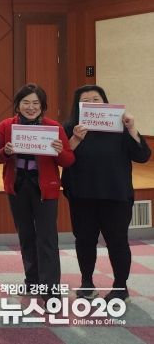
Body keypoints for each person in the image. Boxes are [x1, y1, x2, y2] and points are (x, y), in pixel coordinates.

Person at [62, 85, 151, 302]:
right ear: (78, 106)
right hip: (82, 195)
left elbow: (142, 156)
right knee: (84, 241)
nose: (92, 104)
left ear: (105, 102)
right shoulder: (70, 127)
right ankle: (87, 283)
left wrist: (132, 128)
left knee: (117, 242)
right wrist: (75, 139)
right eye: (86, 101)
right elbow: (62, 158)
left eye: (96, 99)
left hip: (115, 195)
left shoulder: (120, 126)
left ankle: (121, 287)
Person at [0, 83, 74, 302]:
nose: (30, 107)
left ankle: (51, 290)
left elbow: (68, 160)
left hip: (44, 188)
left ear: (43, 106)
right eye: (26, 103)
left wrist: (59, 151)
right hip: (18, 186)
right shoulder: (6, 126)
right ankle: (32, 281)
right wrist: (6, 152)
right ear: (17, 105)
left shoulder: (53, 127)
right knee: (26, 236)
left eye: (35, 103)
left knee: (47, 239)